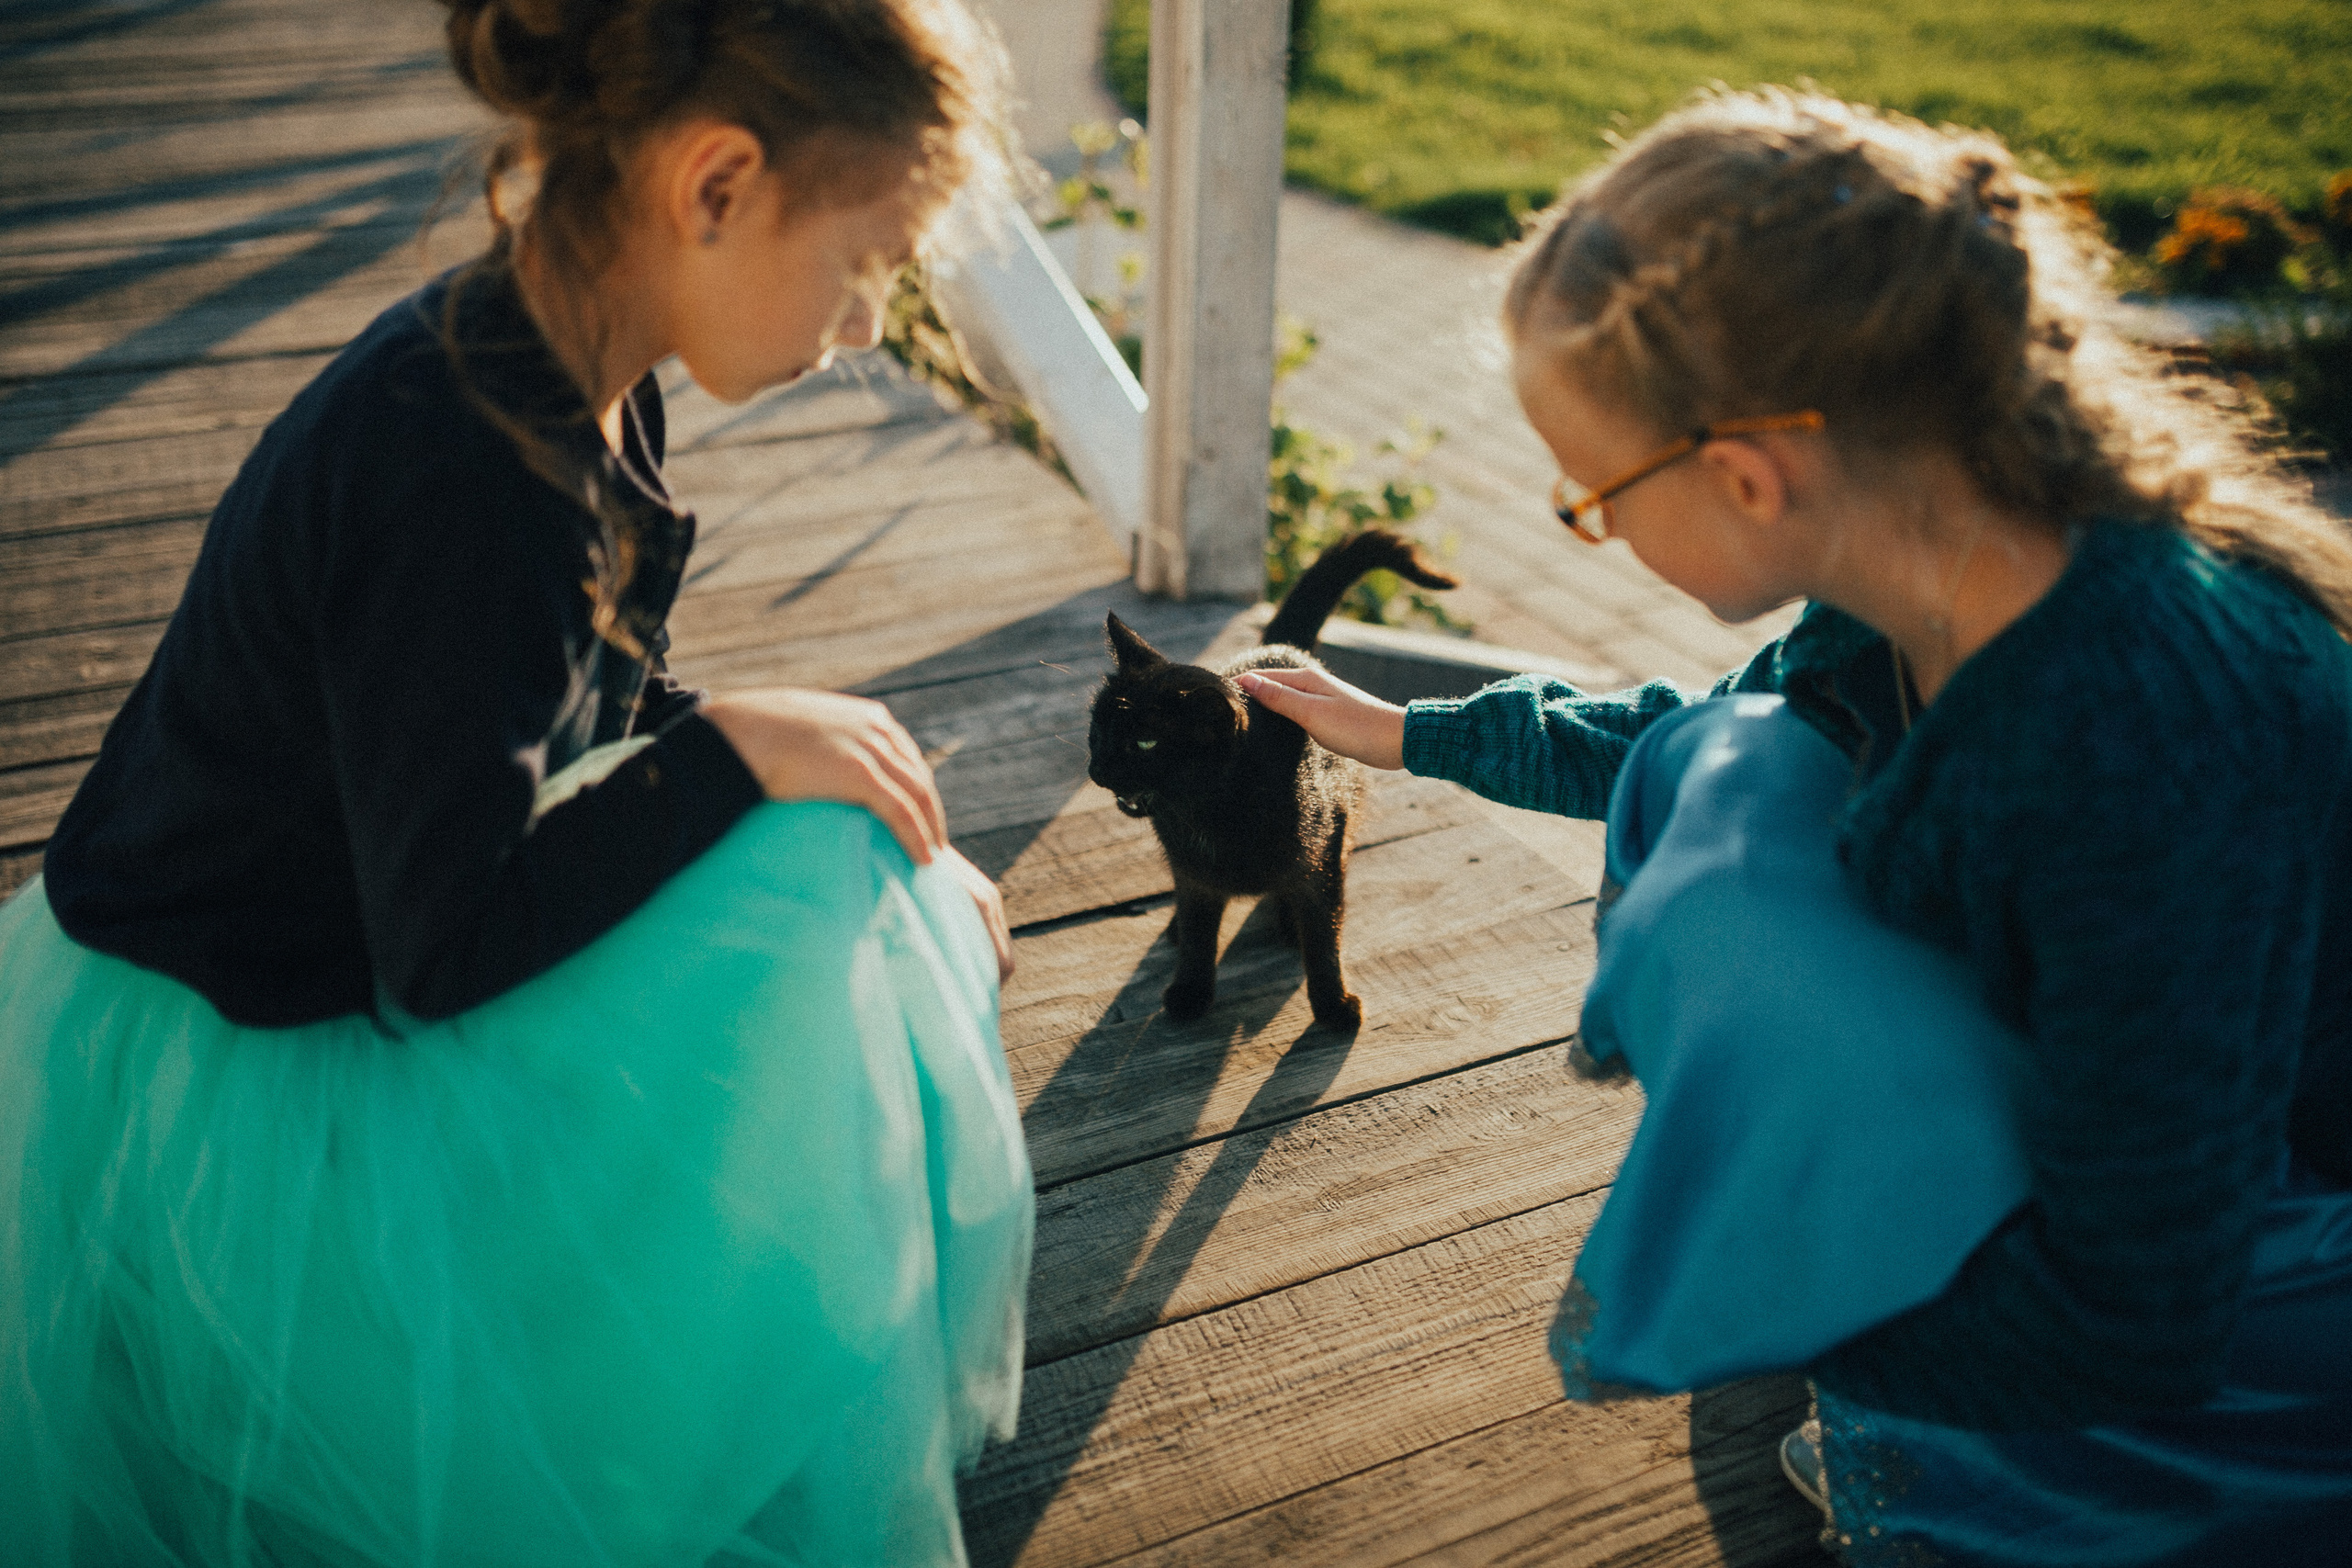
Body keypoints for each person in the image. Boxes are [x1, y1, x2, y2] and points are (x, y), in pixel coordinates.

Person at [1239, 90, 2352, 1565]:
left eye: (1591, 494)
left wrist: (1775, 1318)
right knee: (1734, 765)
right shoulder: (1928, 563)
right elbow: (1701, 738)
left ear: (1748, 476)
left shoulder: (2140, 745)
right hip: (2115, 1124)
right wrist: (1411, 731)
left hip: (2253, 1300)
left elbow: (2137, 1305)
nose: (1590, 521)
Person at [0, 2, 1035, 1563]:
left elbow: (574, 694)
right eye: (868, 262)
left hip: (369, 924)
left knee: (839, 835)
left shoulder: (575, 360)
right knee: (811, 862)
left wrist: (793, 769)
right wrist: (737, 753)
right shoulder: (463, 469)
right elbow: (443, 950)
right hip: (261, 1019)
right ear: (715, 186)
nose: (868, 326)